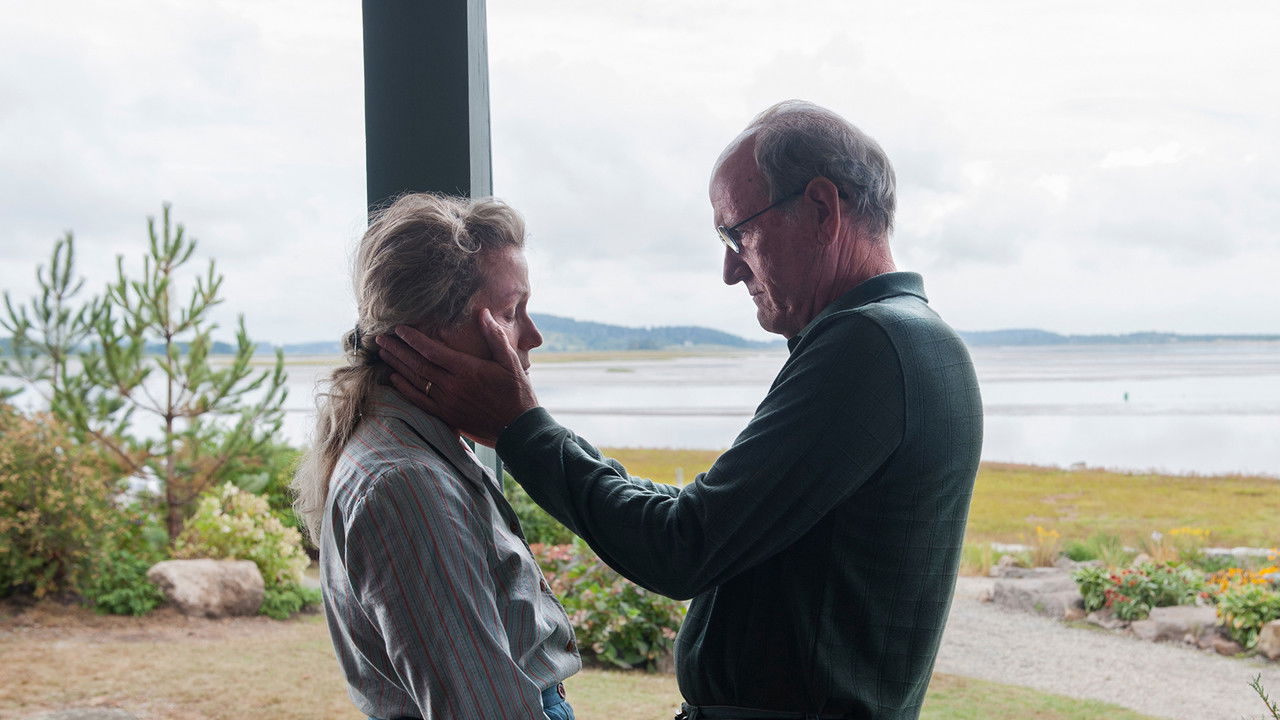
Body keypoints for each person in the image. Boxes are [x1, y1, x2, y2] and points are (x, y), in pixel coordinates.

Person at [378, 101, 984, 720]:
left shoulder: (870, 347)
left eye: (737, 234)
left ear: (823, 209)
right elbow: (710, 519)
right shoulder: (905, 342)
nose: (729, 269)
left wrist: (520, 429)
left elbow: (683, 545)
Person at [291, 193, 580, 720]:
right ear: (429, 335)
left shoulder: (407, 447)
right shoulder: (406, 484)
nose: (534, 337)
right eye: (510, 313)